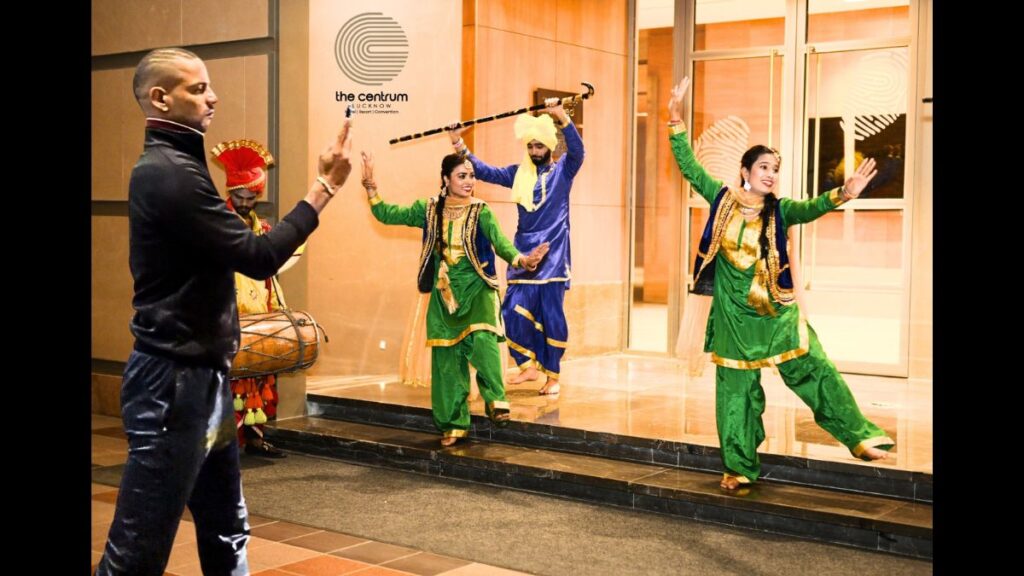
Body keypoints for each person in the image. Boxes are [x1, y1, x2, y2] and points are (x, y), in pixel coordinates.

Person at [96, 47, 353, 575]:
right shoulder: (169, 173)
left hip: (201, 382)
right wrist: (323, 188)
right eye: (196, 89)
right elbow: (259, 257)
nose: (212, 96)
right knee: (136, 554)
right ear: (160, 98)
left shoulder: (180, 163)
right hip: (172, 386)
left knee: (225, 529)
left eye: (208, 85)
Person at [666, 77, 894, 491]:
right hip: (735, 319)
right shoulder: (721, 200)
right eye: (764, 168)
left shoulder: (781, 210)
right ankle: (738, 467)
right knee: (736, 396)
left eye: (775, 169)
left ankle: (858, 436)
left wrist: (843, 193)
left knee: (817, 369)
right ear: (745, 172)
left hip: (776, 312)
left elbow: (811, 207)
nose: (771, 175)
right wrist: (675, 121)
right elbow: (689, 167)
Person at [360, 150, 548, 446]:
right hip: (445, 295)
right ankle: (453, 424)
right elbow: (387, 214)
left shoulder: (481, 210)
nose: (470, 181)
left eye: (472, 176)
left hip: (478, 289)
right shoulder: (429, 208)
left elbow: (501, 244)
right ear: (446, 179)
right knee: (447, 361)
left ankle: (496, 401)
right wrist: (371, 187)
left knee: (485, 343)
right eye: (462, 176)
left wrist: (522, 260)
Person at [447, 98, 584, 395]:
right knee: (510, 311)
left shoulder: (563, 172)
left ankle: (553, 375)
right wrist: (459, 143)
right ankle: (528, 365)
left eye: (540, 147)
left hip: (553, 256)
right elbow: (483, 171)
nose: (535, 152)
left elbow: (578, 151)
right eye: (531, 146)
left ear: (549, 146)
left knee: (551, 317)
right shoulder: (517, 174)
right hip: (522, 254)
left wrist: (561, 116)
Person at [212, 138, 300, 459]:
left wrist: (277, 311)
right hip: (230, 313)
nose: (246, 202)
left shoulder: (260, 226)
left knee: (260, 376)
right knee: (233, 381)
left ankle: (255, 437)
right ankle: (228, 445)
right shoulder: (218, 223)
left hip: (259, 310)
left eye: (251, 197)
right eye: (240, 197)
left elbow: (268, 270)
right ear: (230, 193)